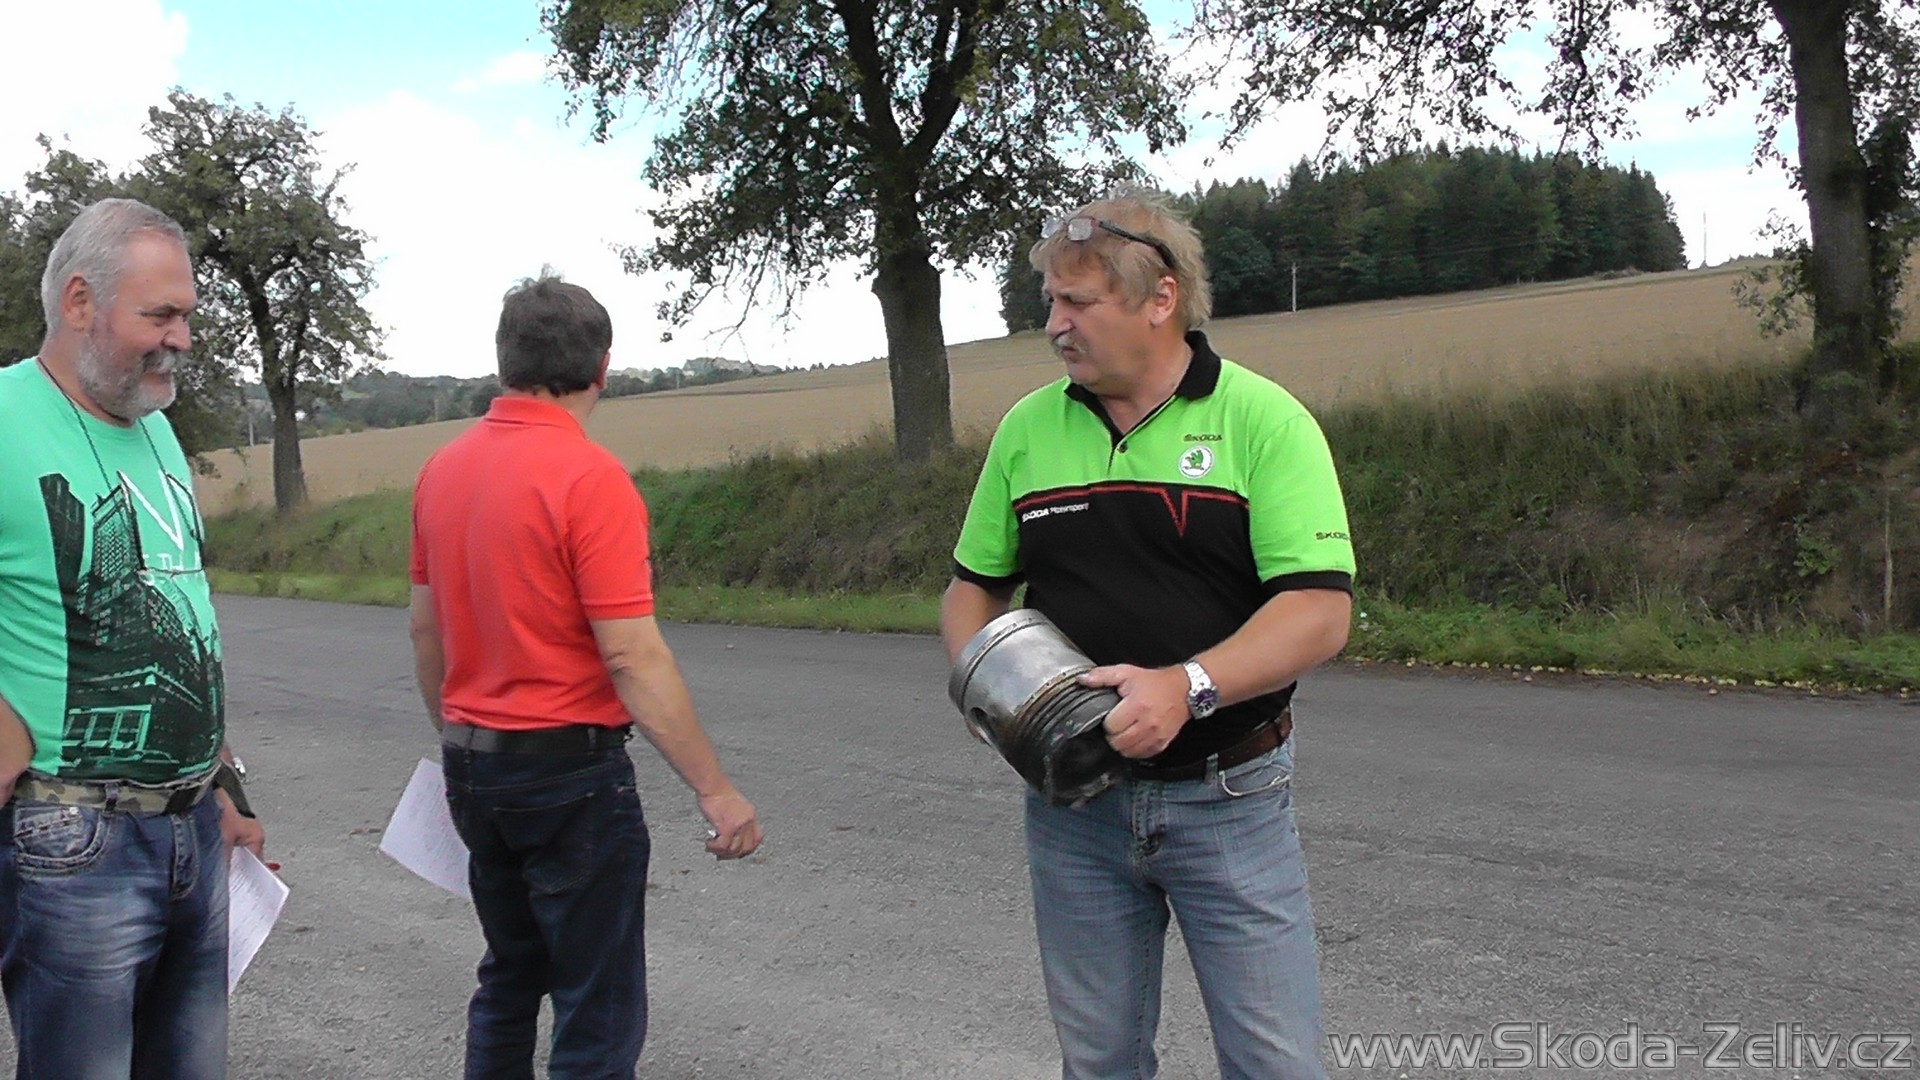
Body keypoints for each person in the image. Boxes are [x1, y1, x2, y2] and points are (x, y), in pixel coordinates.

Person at [939, 190, 1356, 1080]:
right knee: (1100, 1061)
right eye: (1050, 301)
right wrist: (994, 701)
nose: (1054, 324)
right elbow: (972, 589)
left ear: (1160, 298)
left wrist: (1187, 686)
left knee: (1276, 1063)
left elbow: (1319, 611)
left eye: (1077, 302)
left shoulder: (1262, 420)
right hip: (1074, 810)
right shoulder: (1028, 429)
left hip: (1229, 795)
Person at [409, 273, 762, 1079]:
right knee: (594, 1004)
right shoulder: (589, 478)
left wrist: (461, 737)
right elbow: (631, 654)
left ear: (503, 360)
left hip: (473, 762)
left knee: (509, 976)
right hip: (568, 770)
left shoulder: (442, 471)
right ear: (602, 366)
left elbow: (426, 630)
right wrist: (714, 789)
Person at [0, 198, 266, 1079]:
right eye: (160, 316)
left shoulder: (156, 430)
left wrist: (222, 786)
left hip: (191, 832)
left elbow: (183, 615)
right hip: (71, 839)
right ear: (79, 301)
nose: (181, 339)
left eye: (185, 316)